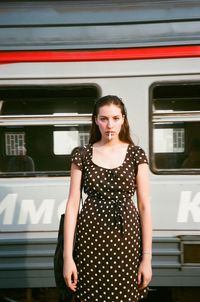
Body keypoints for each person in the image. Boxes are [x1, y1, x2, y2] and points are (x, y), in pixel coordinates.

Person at [63, 95, 152, 302]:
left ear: (123, 119)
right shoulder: (81, 154)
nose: (109, 125)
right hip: (89, 242)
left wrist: (146, 259)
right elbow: (72, 204)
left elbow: (145, 206)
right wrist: (68, 257)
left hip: (127, 242)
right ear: (95, 120)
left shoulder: (136, 154)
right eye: (104, 119)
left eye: (115, 118)